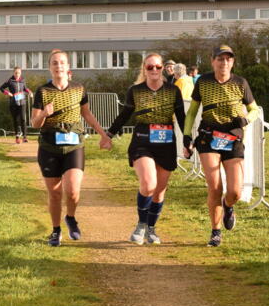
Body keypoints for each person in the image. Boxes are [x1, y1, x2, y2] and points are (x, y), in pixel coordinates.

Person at [100, 52, 185, 245]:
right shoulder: (135, 90)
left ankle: (151, 229)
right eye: (150, 67)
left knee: (159, 191)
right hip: (142, 141)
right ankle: (141, 224)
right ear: (144, 69)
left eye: (157, 66)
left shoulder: (173, 90)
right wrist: (108, 135)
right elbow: (125, 115)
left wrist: (188, 141)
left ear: (163, 68)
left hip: (166, 143)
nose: (154, 70)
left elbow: (181, 118)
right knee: (148, 184)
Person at [31, 49, 111, 246]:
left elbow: (87, 114)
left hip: (74, 145)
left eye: (62, 62)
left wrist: (103, 135)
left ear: (68, 67)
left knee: (73, 191)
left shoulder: (78, 89)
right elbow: (35, 123)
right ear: (50, 68)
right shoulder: (42, 91)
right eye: (54, 63)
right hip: (49, 147)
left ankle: (71, 217)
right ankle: (56, 230)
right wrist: (44, 114)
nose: (58, 66)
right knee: (55, 193)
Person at [183, 44, 259, 247]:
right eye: (220, 59)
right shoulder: (203, 82)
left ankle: (228, 205)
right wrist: (186, 136)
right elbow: (192, 112)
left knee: (235, 192)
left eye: (228, 59)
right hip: (209, 137)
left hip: (233, 137)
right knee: (215, 187)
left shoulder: (241, 82)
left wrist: (245, 120)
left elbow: (254, 110)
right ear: (212, 61)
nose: (224, 62)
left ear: (232, 62)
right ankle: (215, 231)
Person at [0, 67, 32, 143]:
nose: (17, 74)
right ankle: (17, 137)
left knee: (23, 119)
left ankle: (24, 137)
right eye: (16, 73)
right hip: (13, 103)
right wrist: (8, 93)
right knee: (16, 120)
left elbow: (25, 88)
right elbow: (1, 88)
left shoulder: (23, 80)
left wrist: (30, 92)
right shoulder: (10, 81)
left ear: (21, 73)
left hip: (22, 102)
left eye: (19, 73)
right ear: (13, 73)